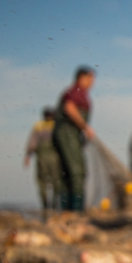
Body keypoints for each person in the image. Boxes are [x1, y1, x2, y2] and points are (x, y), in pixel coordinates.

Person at [52, 67, 96, 212]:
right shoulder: (76, 91)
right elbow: (69, 108)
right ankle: (75, 211)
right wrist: (85, 127)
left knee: (68, 173)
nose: (93, 82)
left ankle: (66, 210)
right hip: (67, 134)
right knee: (77, 171)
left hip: (70, 135)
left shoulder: (79, 93)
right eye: (91, 78)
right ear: (82, 77)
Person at [23, 108, 61, 215]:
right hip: (54, 158)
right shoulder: (57, 125)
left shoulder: (38, 126)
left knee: (43, 183)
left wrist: (28, 156)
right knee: (55, 183)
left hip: (43, 158)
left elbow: (32, 143)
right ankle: (53, 207)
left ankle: (46, 207)